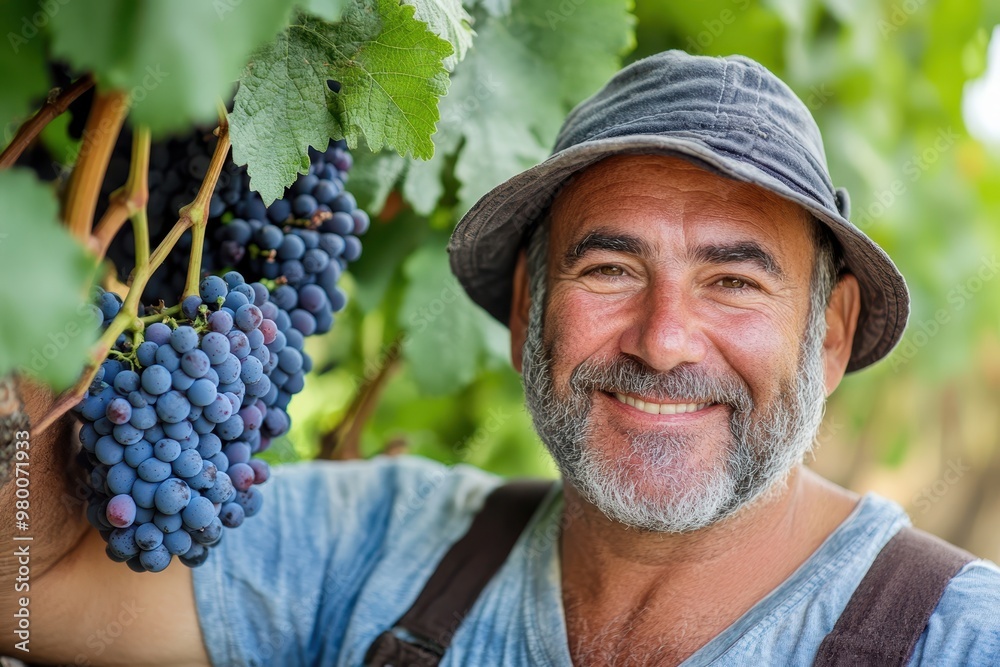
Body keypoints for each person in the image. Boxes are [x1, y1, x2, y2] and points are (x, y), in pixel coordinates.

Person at [3, 50, 999, 667]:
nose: (660, 340)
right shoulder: (379, 548)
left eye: (733, 282)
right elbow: (27, 591)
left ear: (825, 339)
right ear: (528, 309)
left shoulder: (957, 641)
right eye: (609, 268)